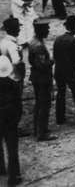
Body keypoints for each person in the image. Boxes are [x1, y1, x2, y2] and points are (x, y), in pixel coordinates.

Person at [28, 19, 57, 141]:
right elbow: (42, 65)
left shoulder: (35, 42)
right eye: (46, 29)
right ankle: (42, 133)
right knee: (44, 105)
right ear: (41, 30)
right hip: (42, 78)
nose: (48, 31)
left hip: (37, 77)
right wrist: (52, 60)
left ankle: (37, 129)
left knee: (39, 104)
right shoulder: (38, 46)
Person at [53, 15, 75, 125]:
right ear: (74, 27)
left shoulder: (58, 39)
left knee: (60, 93)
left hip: (59, 71)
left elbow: (55, 56)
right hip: (72, 72)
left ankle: (59, 118)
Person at [0, 55, 23, 186]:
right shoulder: (13, 85)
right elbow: (18, 106)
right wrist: (16, 121)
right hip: (10, 120)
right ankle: (13, 176)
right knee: (12, 148)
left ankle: (1, 167)